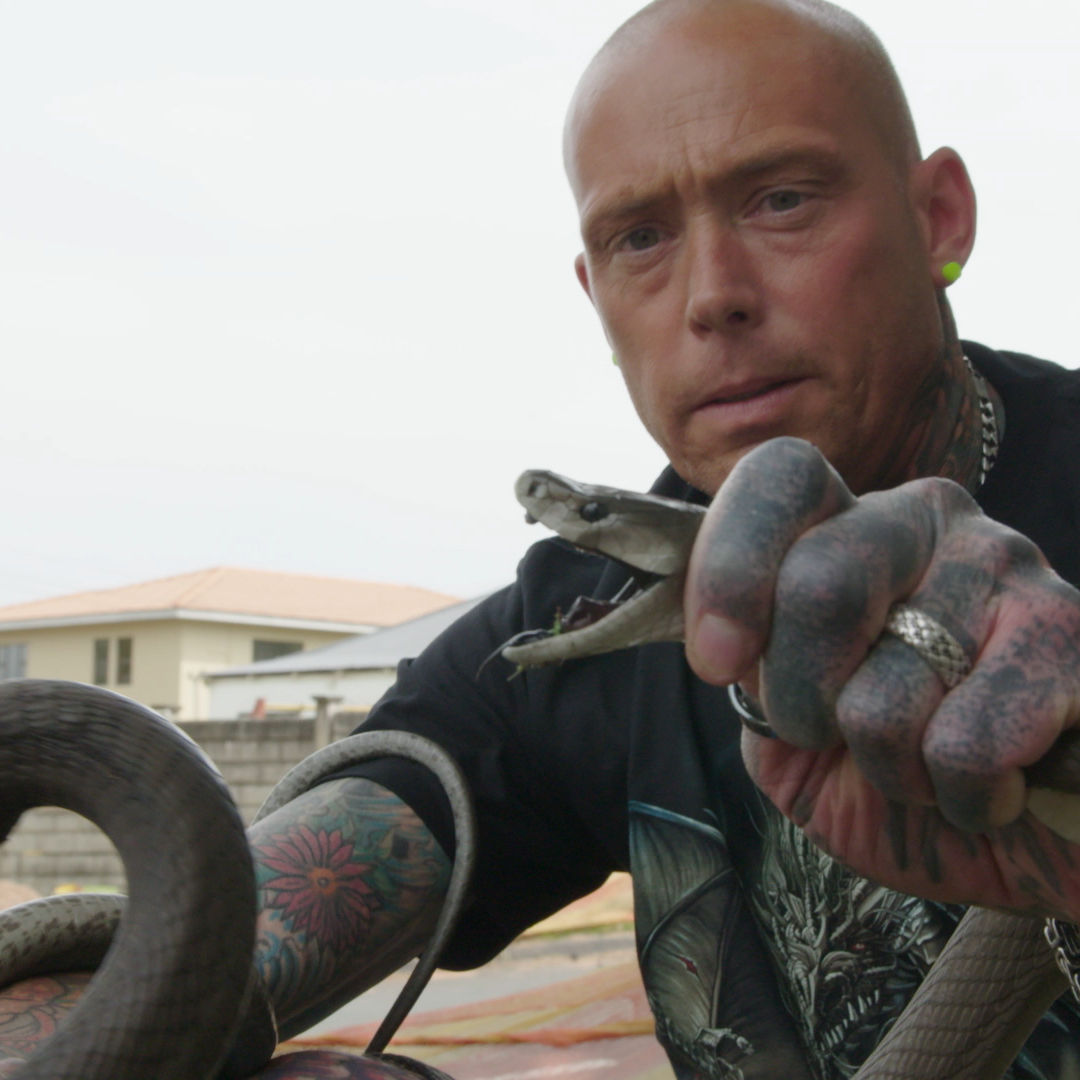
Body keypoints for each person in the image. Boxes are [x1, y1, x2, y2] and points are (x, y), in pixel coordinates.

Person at [4, 0, 1080, 1077]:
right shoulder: (577, 623)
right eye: (640, 239)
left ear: (939, 219)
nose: (713, 295)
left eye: (783, 200)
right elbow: (191, 959)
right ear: (596, 293)